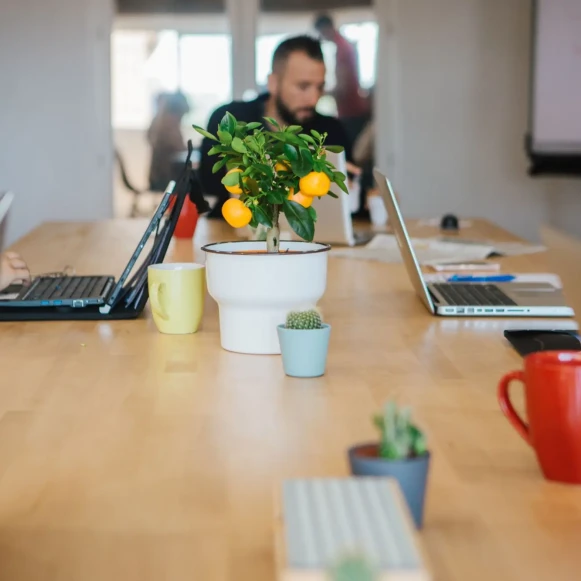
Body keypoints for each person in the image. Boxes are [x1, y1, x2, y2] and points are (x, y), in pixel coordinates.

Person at [199, 35, 355, 219]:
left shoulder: (331, 130)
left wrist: (351, 185)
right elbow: (208, 189)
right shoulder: (230, 119)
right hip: (233, 236)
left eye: (319, 87)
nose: (313, 99)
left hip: (309, 243)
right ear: (273, 83)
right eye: (303, 86)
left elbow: (349, 207)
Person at [314, 14, 371, 146]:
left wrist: (319, 93)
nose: (321, 37)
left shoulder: (342, 49)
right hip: (350, 111)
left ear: (326, 28)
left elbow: (343, 88)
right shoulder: (343, 46)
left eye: (321, 32)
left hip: (352, 112)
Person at [147, 91, 190, 192]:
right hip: (165, 179)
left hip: (156, 177)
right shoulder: (169, 124)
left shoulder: (158, 120)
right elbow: (181, 149)